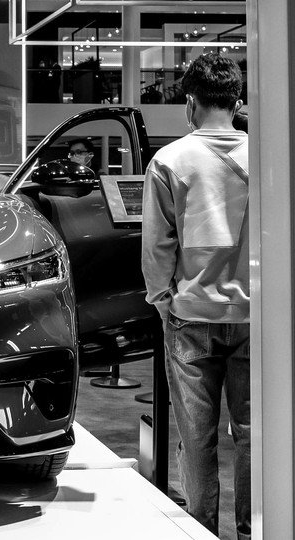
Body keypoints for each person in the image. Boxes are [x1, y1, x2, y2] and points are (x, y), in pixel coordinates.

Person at [141, 53, 249, 540]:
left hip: (191, 316)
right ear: (237, 100)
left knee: (196, 438)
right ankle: (254, 529)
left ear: (189, 102)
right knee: (253, 436)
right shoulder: (265, 155)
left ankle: (202, 531)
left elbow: (158, 245)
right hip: (256, 317)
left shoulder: (169, 160)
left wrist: (164, 300)